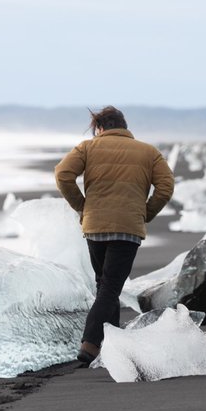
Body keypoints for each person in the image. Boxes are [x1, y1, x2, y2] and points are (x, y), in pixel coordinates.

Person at [54, 106, 175, 366]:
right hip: (127, 230)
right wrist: (145, 213)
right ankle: (91, 344)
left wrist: (82, 206)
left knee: (105, 286)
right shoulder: (149, 152)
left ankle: (108, 343)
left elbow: (62, 175)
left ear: (100, 128)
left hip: (96, 227)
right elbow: (166, 187)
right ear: (124, 126)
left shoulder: (87, 148)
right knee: (109, 288)